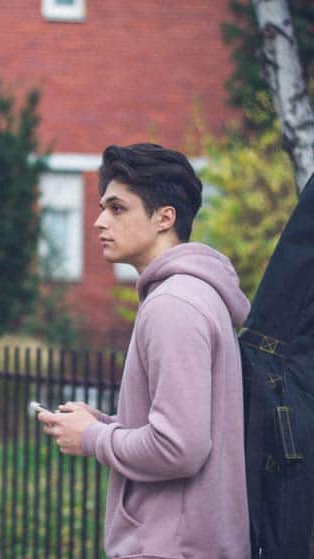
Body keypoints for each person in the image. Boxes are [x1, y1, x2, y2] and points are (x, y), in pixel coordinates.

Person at [37, 143, 251, 559]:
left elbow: (181, 448)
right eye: (102, 207)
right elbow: (186, 427)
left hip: (169, 548)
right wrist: (109, 422)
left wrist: (94, 439)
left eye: (117, 209)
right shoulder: (192, 295)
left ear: (164, 218)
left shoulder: (173, 305)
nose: (99, 221)